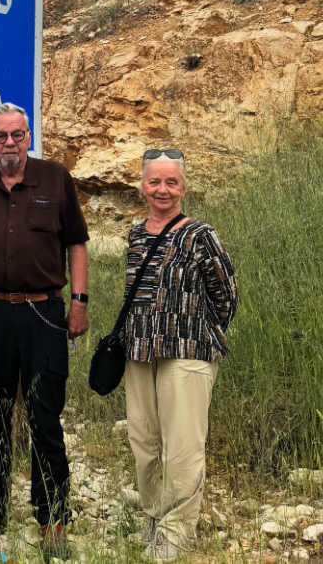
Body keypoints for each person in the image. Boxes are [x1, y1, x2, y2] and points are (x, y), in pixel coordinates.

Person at [0, 102, 89, 556]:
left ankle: (52, 519)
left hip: (43, 314)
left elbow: (77, 245)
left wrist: (80, 302)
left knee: (45, 416)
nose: (9, 143)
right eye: (1, 136)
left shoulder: (55, 179)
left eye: (17, 135)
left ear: (29, 137)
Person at [122, 149, 237, 561]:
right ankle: (153, 518)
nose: (162, 190)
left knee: (184, 445)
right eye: (154, 181)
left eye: (171, 182)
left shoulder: (200, 235)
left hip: (188, 352)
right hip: (139, 353)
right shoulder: (136, 235)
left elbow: (227, 295)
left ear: (184, 187)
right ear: (142, 185)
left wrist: (196, 330)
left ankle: (175, 533)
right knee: (145, 441)